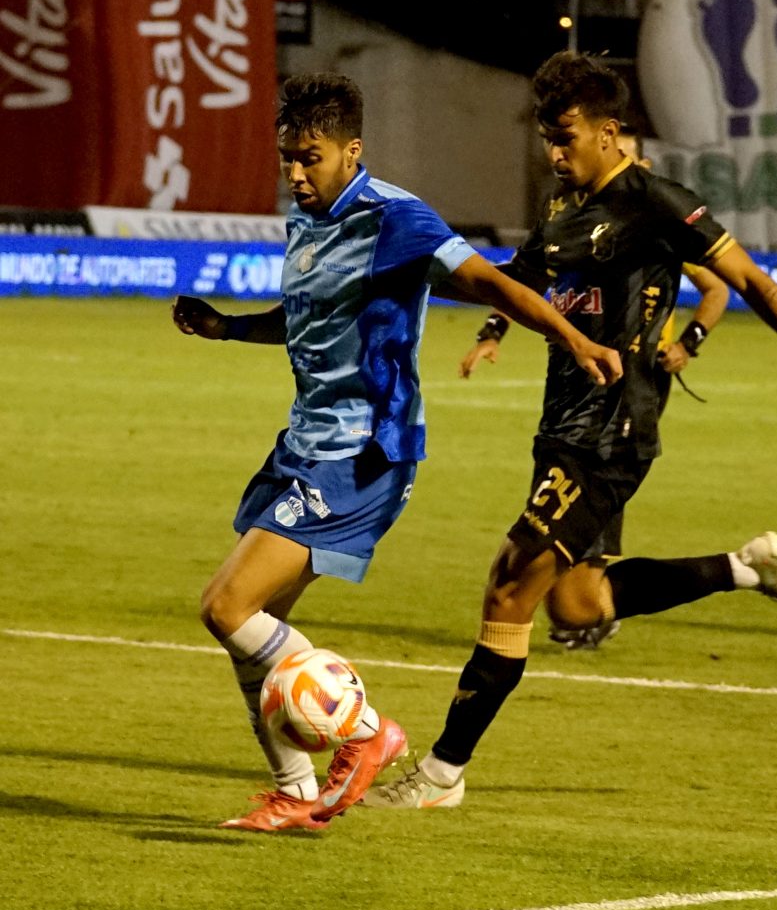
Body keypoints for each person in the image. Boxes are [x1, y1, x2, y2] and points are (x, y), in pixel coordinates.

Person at [361, 51, 777, 810]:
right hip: (561, 427)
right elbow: (518, 280)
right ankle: (744, 567)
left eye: (565, 137)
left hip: (611, 433)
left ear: (609, 133)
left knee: (509, 586)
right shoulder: (562, 208)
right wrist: (457, 300)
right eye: (547, 137)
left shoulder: (656, 202)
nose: (554, 152)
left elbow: (748, 280)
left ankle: (441, 773)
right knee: (576, 604)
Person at [170, 72, 622, 832]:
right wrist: (228, 328)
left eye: (310, 157)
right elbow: (306, 318)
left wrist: (573, 338)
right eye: (287, 157)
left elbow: (490, 283)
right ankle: (296, 793)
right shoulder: (306, 220)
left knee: (226, 606)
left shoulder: (396, 218)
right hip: (303, 446)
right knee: (254, 630)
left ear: (353, 151)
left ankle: (367, 731)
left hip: (362, 455)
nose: (295, 173)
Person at [459, 125, 731, 651]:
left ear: (640, 165)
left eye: (628, 157)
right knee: (563, 586)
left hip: (626, 390)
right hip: (567, 392)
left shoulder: (657, 223)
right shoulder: (573, 219)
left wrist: (688, 343)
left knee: (564, 562)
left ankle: (588, 593)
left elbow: (718, 286)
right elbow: (526, 284)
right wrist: (491, 332)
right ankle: (592, 594)